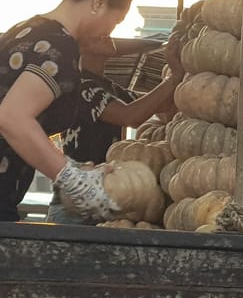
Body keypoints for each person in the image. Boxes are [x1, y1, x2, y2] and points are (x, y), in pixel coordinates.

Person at [0, 0, 133, 222]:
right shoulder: (59, 46)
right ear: (99, 2)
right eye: (115, 22)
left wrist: (75, 168)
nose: (109, 33)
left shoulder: (26, 30)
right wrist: (69, 177)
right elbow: (11, 117)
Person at [45, 34, 184, 223]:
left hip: (102, 197)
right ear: (80, 49)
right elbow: (131, 116)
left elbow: (162, 110)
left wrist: (182, 80)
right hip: (76, 204)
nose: (106, 35)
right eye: (97, 35)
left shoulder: (112, 90)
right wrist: (173, 76)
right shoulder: (81, 87)